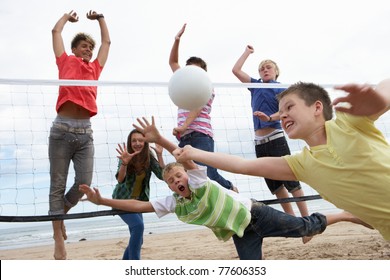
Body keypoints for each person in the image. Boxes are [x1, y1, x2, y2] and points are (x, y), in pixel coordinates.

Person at [79, 116, 371, 260]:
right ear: (168, 186)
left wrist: (163, 141)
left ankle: (345, 214)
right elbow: (140, 205)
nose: (177, 181)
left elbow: (183, 156)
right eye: (171, 181)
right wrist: (103, 200)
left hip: (257, 215)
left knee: (306, 228)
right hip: (239, 232)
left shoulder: (197, 178)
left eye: (178, 176)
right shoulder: (174, 202)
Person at [173, 79, 390, 241]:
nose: (283, 115)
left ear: (317, 107)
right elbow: (244, 165)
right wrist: (194, 153)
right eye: (280, 111)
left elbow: (386, 86)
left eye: (289, 107)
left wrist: (379, 99)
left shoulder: (348, 123)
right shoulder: (301, 165)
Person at [49, 10, 111, 260]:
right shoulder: (65, 61)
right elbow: (55, 32)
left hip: (86, 132)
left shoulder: (95, 68)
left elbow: (107, 42)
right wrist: (66, 17)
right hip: (62, 129)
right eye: (84, 46)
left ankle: (59, 214)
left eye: (89, 47)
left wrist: (101, 19)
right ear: (74, 49)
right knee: (57, 186)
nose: (88, 50)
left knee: (83, 184)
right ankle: (57, 237)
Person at [232, 45, 311, 236]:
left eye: (268, 67)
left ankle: (307, 222)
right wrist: (247, 53)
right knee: (276, 187)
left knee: (291, 181)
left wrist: (270, 118)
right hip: (260, 143)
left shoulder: (281, 88)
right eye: (261, 68)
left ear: (276, 72)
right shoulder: (255, 85)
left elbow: (285, 111)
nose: (264, 70)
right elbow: (235, 70)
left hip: (275, 138)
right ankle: (293, 224)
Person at [169, 23, 238, 192]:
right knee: (194, 177)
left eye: (196, 69)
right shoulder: (183, 82)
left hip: (201, 135)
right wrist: (176, 40)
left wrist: (184, 126)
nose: (191, 72)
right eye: (189, 68)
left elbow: (198, 107)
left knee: (208, 174)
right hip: (185, 137)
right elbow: (173, 62)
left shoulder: (206, 86)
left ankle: (231, 189)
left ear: (203, 73)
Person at [112, 129, 165, 260]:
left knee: (138, 240)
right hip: (122, 201)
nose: (137, 143)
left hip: (138, 203)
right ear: (130, 143)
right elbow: (120, 179)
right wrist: (124, 162)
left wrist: (159, 155)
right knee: (138, 226)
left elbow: (163, 175)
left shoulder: (148, 156)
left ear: (145, 142)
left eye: (140, 140)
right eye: (134, 140)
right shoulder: (126, 155)